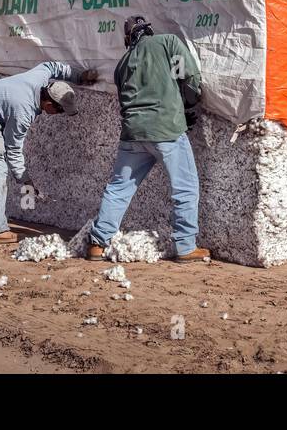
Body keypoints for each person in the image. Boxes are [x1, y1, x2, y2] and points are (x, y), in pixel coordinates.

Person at [86, 16, 210, 263]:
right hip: (167, 130)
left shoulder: (122, 64)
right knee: (184, 187)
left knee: (119, 189)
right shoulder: (168, 43)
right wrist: (187, 104)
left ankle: (97, 244)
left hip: (132, 134)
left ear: (128, 38)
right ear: (149, 30)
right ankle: (185, 247)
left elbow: (123, 100)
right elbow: (186, 75)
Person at [0, 61, 98, 242]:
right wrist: (25, 180)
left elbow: (52, 66)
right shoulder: (23, 111)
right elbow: (13, 149)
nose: (60, 114)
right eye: (60, 110)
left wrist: (79, 76)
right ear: (48, 104)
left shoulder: (40, 77)